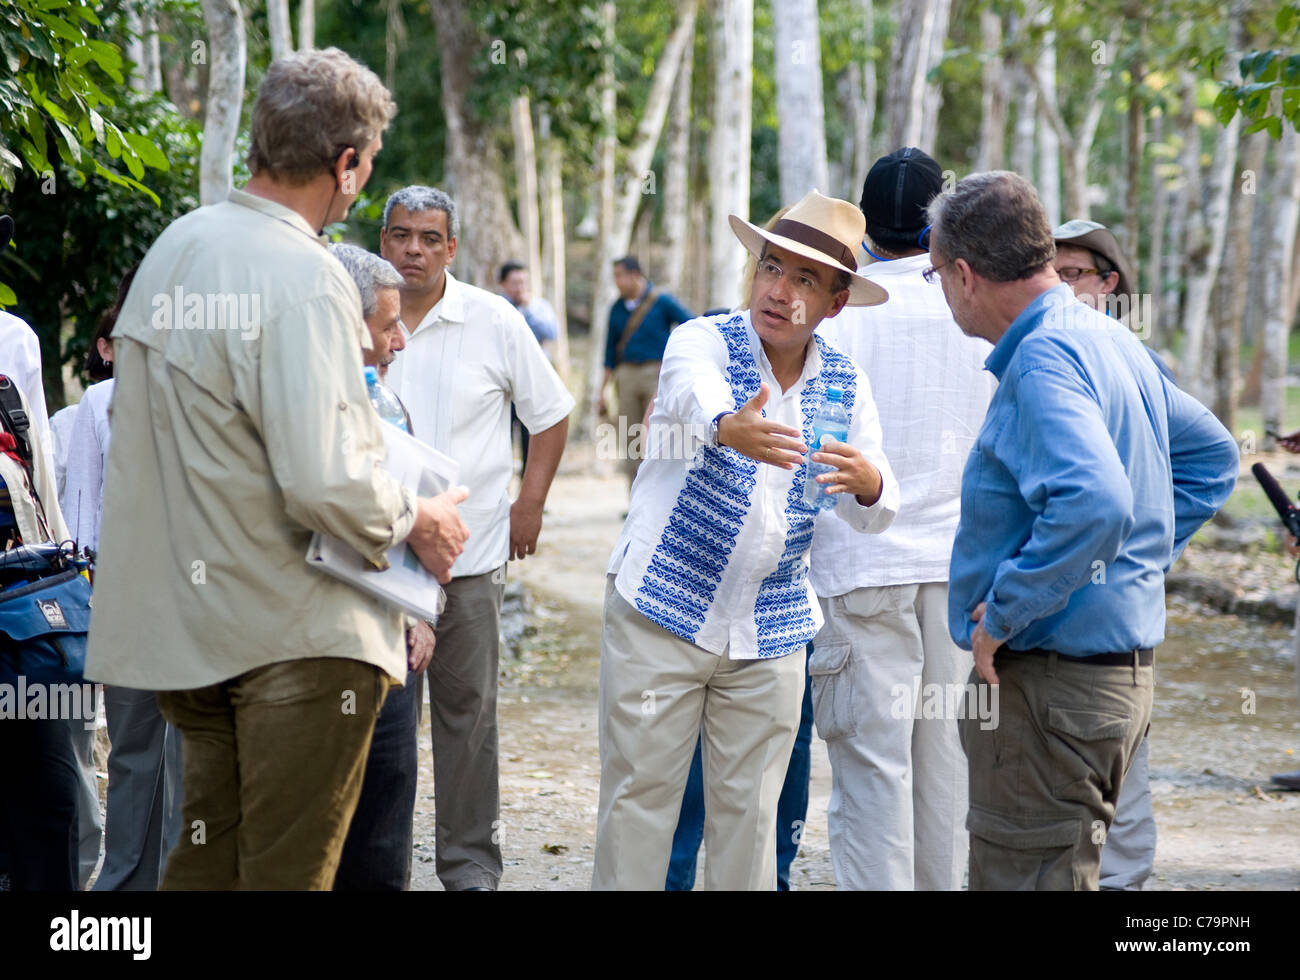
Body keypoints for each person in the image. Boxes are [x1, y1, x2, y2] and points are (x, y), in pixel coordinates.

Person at [83, 48, 471, 891]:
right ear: (347, 163)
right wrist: (420, 519)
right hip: (297, 638)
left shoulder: (175, 249)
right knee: (285, 875)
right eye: (364, 170)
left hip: (192, 637)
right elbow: (324, 478)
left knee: (204, 864)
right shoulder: (305, 273)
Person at [930, 171, 1239, 890]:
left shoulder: (1043, 358)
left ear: (965, 275)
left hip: (1051, 693)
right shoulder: (1106, 337)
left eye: (937, 274)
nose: (941, 291)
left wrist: (1006, 611)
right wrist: (1128, 562)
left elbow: (1096, 501)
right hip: (1105, 684)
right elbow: (1212, 456)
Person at [593, 189, 901, 890]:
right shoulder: (704, 340)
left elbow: (876, 508)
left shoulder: (845, 387)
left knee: (752, 822)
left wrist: (869, 482)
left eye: (804, 279)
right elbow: (688, 391)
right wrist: (728, 424)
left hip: (771, 633)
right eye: (771, 267)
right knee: (640, 805)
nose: (780, 291)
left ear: (836, 302)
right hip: (660, 616)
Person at [809, 147, 996, 891]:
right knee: (946, 763)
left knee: (870, 767)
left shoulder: (839, 318)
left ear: (861, 229)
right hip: (958, 573)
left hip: (862, 565)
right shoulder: (975, 310)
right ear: (937, 228)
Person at [379, 185, 574, 891]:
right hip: (374, 563)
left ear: (452, 249)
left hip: (472, 558)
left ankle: (469, 872)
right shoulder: (363, 316)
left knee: (468, 723)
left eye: (430, 238)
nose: (414, 250)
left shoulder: (493, 320)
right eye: (401, 235)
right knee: (379, 734)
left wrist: (532, 500)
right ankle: (378, 871)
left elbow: (550, 415)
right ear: (383, 241)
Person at [1052, 217, 1159, 891]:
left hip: (1114, 612)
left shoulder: (1136, 363)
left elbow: (1200, 462)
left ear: (1107, 284)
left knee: (1126, 775)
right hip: (1052, 612)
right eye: (1049, 275)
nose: (1058, 289)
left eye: (1072, 276)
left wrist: (1150, 550)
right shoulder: (1039, 356)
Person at [327, 242, 434, 890]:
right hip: (326, 646)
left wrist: (423, 615)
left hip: (393, 646)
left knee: (385, 822)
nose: (400, 340)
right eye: (388, 324)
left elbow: (415, 525)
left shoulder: (392, 408)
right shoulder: (303, 412)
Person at [597, 257, 693, 491]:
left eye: (620, 275)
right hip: (626, 376)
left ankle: (661, 495)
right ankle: (634, 498)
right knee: (630, 437)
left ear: (635, 275)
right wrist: (602, 391)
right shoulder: (616, 309)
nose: (617, 282)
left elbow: (691, 325)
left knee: (659, 434)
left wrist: (674, 361)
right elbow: (609, 352)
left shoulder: (662, 301)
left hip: (656, 374)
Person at [499, 260, 559, 470]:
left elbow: (551, 333)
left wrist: (528, 309)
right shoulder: (496, 308)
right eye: (514, 283)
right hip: (503, 384)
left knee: (531, 438)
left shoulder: (539, 307)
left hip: (532, 384)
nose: (519, 288)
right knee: (502, 439)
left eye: (523, 282)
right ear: (503, 284)